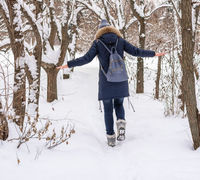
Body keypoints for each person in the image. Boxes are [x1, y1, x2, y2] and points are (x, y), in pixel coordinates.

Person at [57, 19, 165, 147]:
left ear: (99, 31)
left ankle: (111, 137)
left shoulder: (97, 43)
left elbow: (86, 59)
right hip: (121, 80)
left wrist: (68, 65)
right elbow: (136, 51)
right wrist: (154, 54)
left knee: (108, 109)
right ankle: (120, 121)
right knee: (119, 104)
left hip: (106, 81)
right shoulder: (120, 40)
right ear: (111, 28)